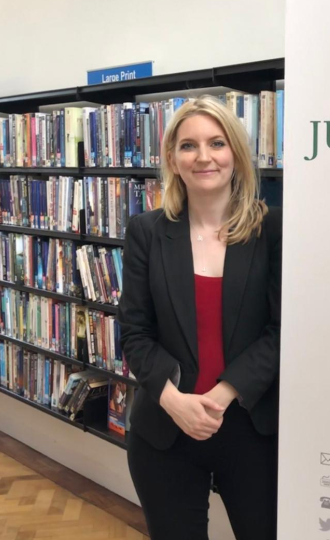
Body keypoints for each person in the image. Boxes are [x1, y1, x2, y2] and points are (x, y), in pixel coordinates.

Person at [117, 95, 281, 540]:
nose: (203, 156)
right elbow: (134, 332)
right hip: (165, 433)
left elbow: (281, 332)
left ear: (237, 154)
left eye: (217, 142)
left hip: (251, 431)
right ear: (172, 157)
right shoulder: (146, 232)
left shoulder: (273, 231)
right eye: (188, 145)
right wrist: (174, 401)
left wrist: (222, 395)